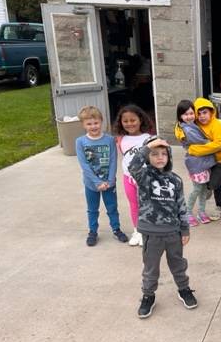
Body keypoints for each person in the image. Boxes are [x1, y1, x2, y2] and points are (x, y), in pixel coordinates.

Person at [128, 136, 197, 318]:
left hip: (173, 233)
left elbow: (181, 205)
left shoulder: (175, 180)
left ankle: (184, 289)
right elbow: (132, 166)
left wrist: (185, 229)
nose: (159, 157)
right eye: (154, 154)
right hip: (151, 233)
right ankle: (148, 295)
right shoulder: (143, 177)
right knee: (151, 268)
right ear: (147, 155)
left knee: (178, 264)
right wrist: (147, 147)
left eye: (163, 154)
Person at [75, 105, 128, 247]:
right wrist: (97, 182)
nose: (93, 126)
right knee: (92, 209)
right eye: (89, 124)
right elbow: (84, 165)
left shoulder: (110, 140)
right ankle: (93, 231)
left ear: (102, 121)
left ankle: (116, 229)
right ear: (83, 125)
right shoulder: (80, 142)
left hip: (109, 183)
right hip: (91, 184)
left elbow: (113, 160)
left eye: (96, 123)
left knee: (112, 207)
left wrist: (109, 181)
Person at [177, 98, 221, 219]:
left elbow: (219, 144)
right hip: (205, 161)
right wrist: (180, 134)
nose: (202, 116)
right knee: (205, 184)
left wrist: (195, 150)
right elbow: (180, 125)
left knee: (215, 184)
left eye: (205, 112)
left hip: (220, 160)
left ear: (211, 112)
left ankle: (218, 205)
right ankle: (216, 205)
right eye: (198, 113)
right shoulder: (196, 123)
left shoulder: (217, 125)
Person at [113, 104, 154, 246]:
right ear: (121, 122)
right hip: (128, 178)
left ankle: (148, 230)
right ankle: (138, 230)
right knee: (134, 204)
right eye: (126, 121)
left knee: (147, 204)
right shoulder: (120, 139)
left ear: (140, 120)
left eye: (133, 120)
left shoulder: (148, 138)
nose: (129, 123)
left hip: (145, 177)